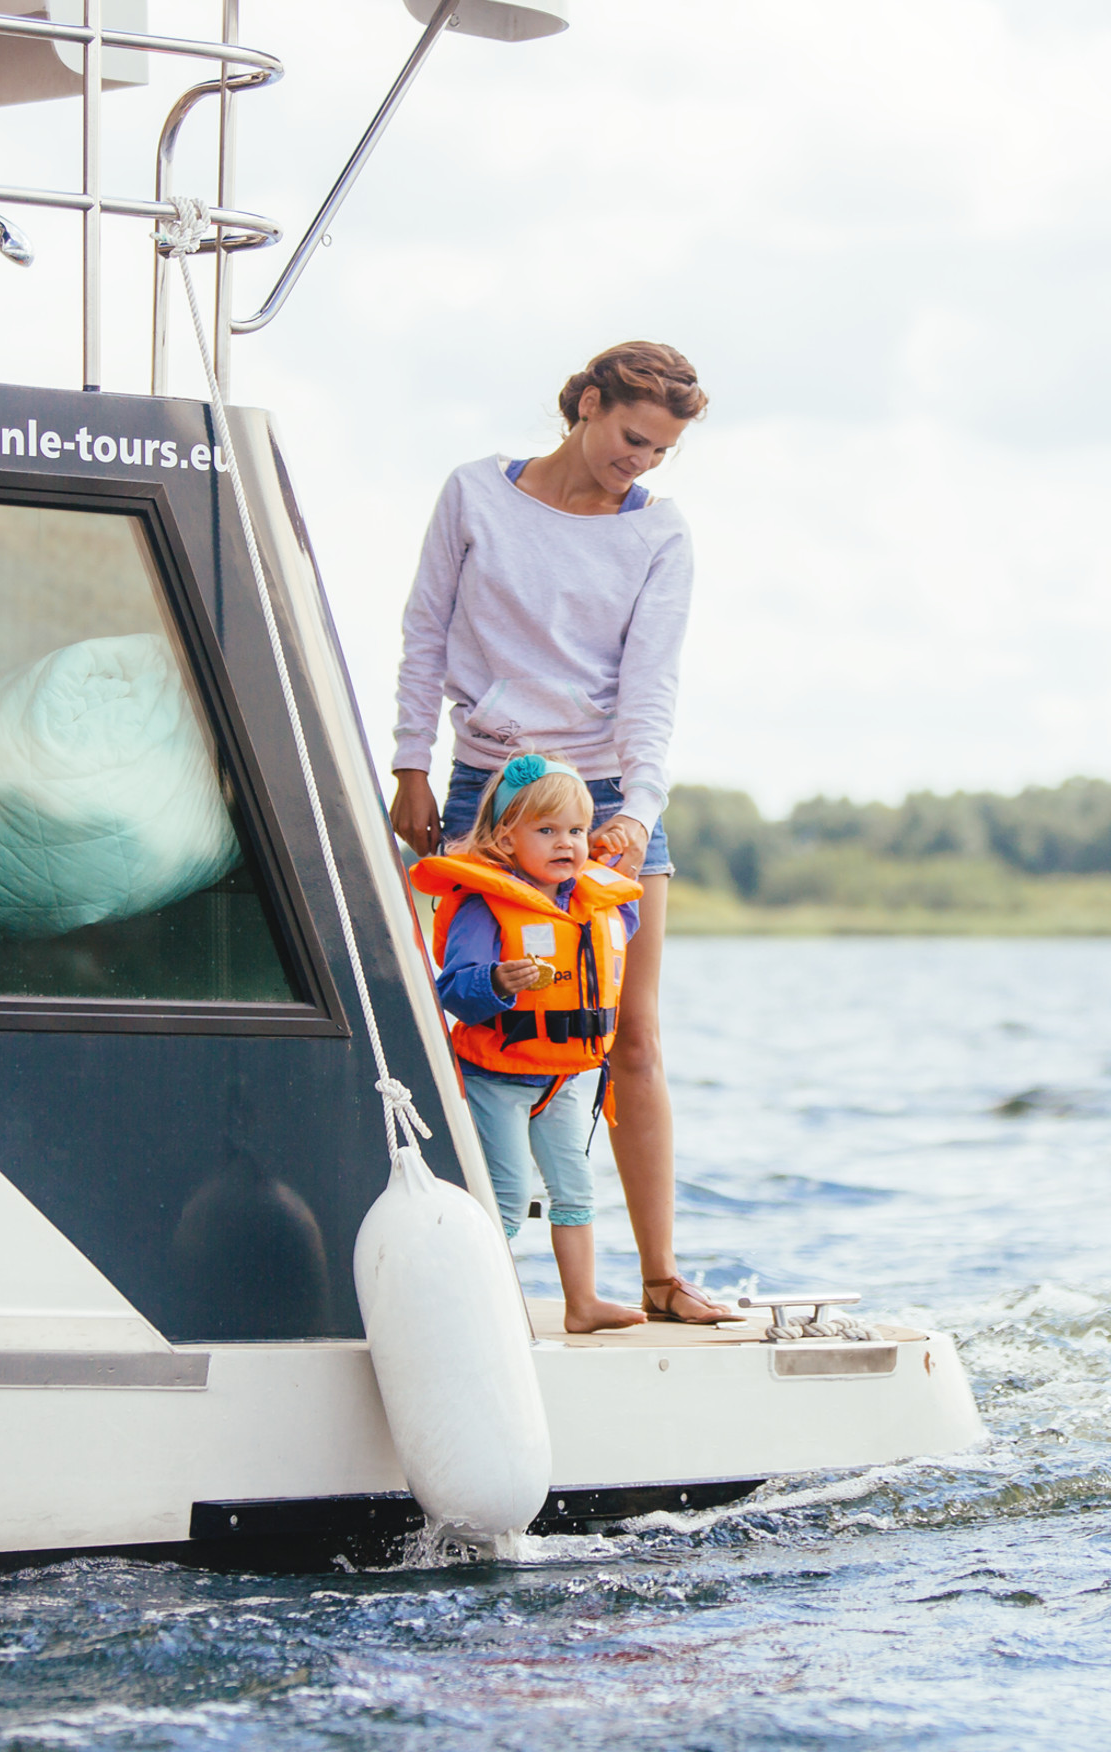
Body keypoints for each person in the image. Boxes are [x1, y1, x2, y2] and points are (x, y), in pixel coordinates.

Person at [389, 341, 729, 1324]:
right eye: (632, 438)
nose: (642, 462)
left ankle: (659, 1279)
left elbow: (650, 683)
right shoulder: (474, 495)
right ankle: (468, 1277)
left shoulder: (660, 536)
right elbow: (423, 629)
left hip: (611, 798)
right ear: (586, 405)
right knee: (469, 1026)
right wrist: (411, 762)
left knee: (630, 1034)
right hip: (486, 795)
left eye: (661, 451)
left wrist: (639, 813)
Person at [413, 754, 648, 1333]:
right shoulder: (482, 904)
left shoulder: (588, 896)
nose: (565, 843)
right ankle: (473, 1309)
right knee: (509, 1195)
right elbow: (455, 989)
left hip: (565, 1077)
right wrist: (495, 981)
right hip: (497, 1075)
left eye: (574, 831)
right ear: (503, 837)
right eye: (546, 831)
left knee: (575, 1188)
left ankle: (582, 1305)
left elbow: (617, 933)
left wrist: (617, 854)